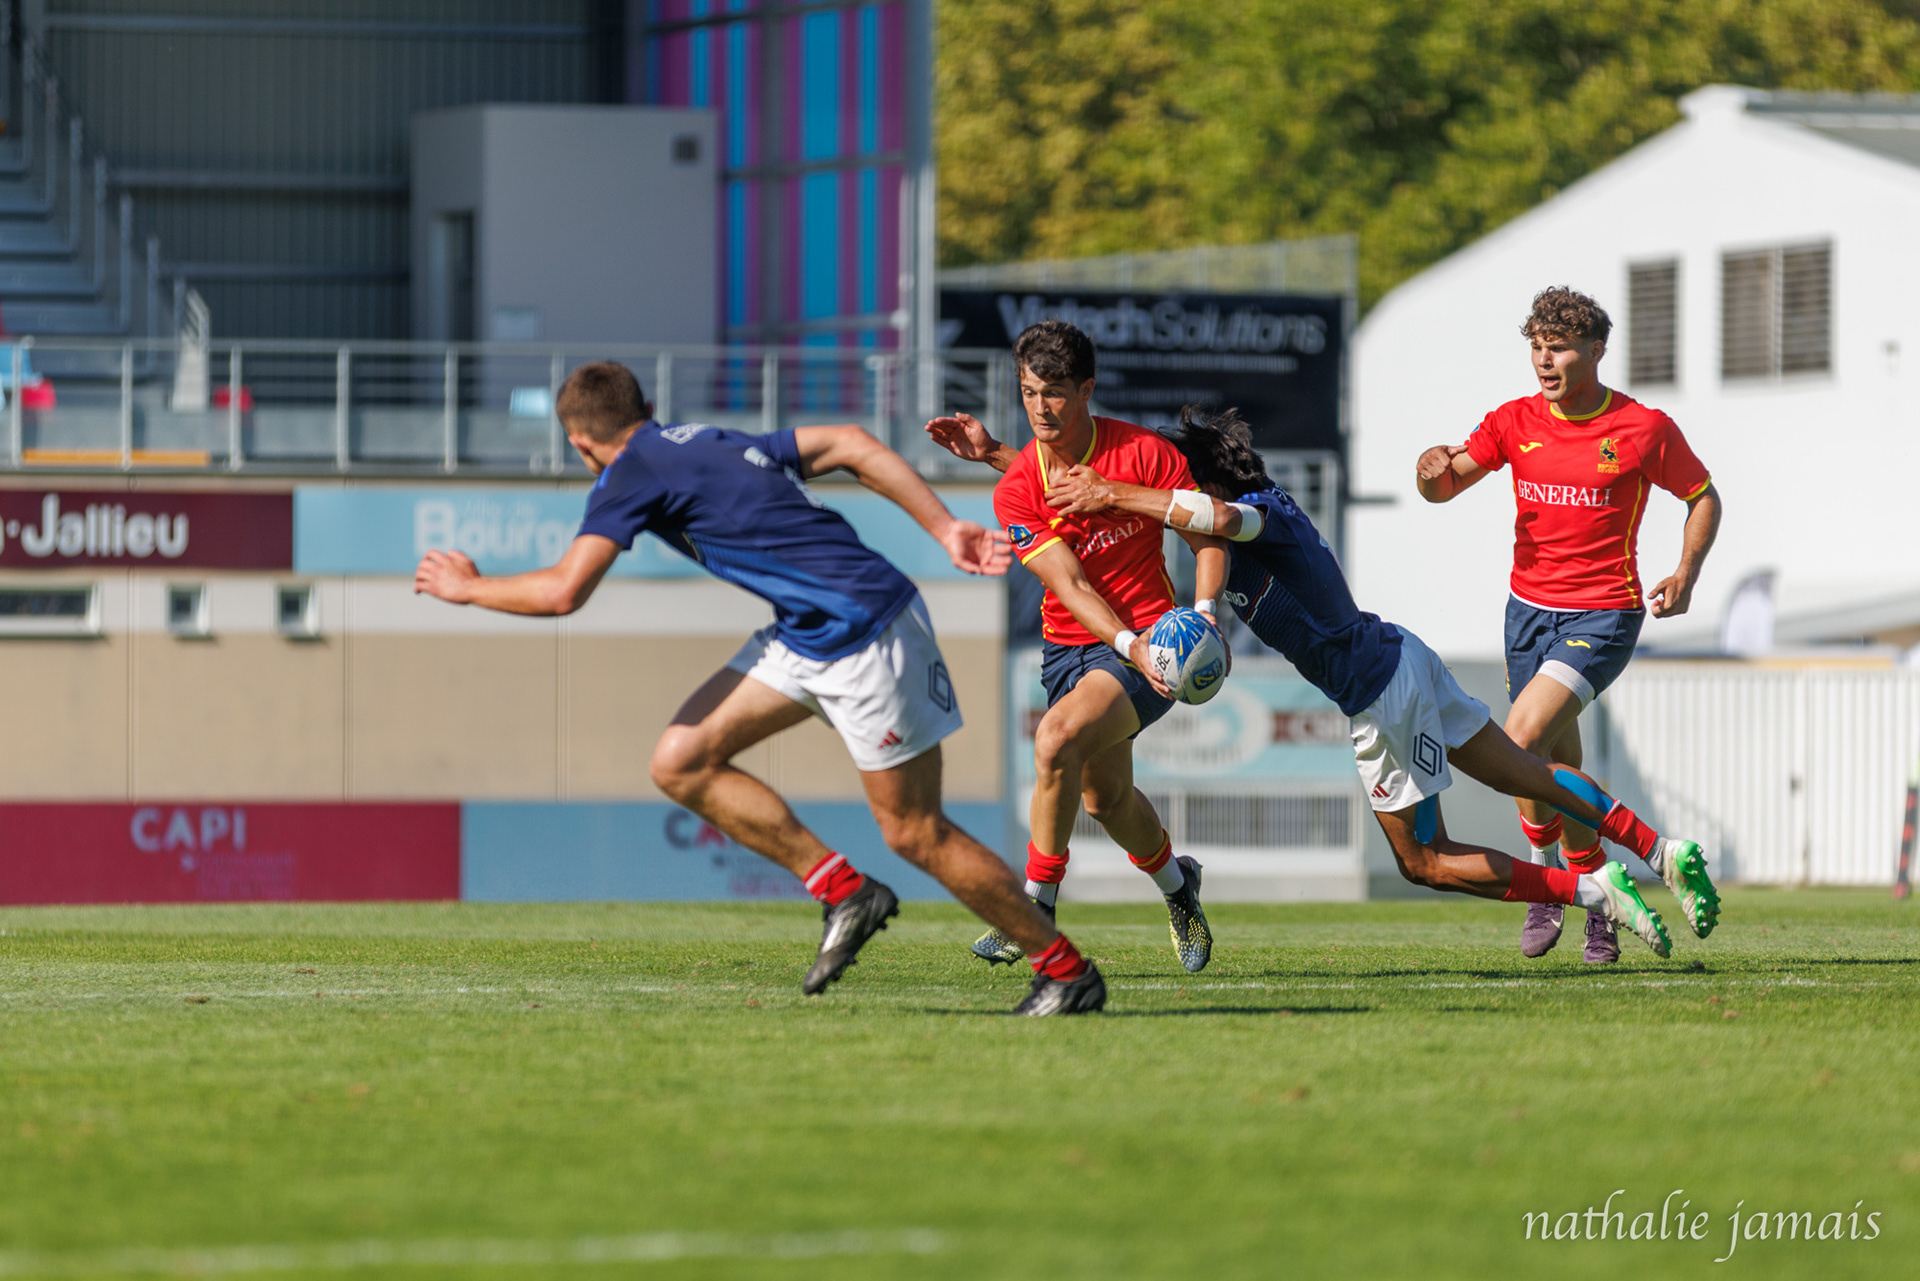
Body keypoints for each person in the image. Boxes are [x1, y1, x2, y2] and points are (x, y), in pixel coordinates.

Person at [414, 361, 1105, 1016]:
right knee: (680, 760)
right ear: (646, 411)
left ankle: (1066, 971)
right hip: (808, 632)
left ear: (580, 443)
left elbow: (566, 590)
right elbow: (851, 442)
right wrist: (943, 524)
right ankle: (846, 893)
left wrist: (466, 587)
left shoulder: (627, 472)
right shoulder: (706, 438)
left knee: (916, 832)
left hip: (867, 632)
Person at [1042, 407, 1720, 956]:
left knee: (1424, 860)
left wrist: (1117, 491)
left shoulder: (1253, 512)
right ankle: (1659, 850)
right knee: (1525, 771)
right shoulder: (1254, 512)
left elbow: (1217, 520)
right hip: (1399, 654)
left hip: (1380, 691)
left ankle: (1593, 892)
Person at [1415, 286, 1723, 962]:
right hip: (1527, 612)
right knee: (1556, 761)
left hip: (1605, 611)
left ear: (1596, 351)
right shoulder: (1513, 419)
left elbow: (1703, 497)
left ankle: (1557, 885)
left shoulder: (1643, 428)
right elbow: (1443, 485)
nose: (1544, 360)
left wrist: (1686, 572)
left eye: (1558, 348)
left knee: (1519, 742)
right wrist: (1428, 468)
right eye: (1536, 346)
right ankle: (1597, 896)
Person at [925, 320, 1227, 973]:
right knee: (1105, 799)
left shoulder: (1145, 453)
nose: (1041, 406)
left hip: (1152, 642)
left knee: (1056, 737)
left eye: (1056, 392)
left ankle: (1034, 908)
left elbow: (1207, 535)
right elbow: (1070, 581)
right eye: (1030, 391)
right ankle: (1180, 888)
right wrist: (1123, 642)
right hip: (1073, 648)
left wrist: (1199, 618)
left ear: (1087, 389)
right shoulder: (1014, 486)